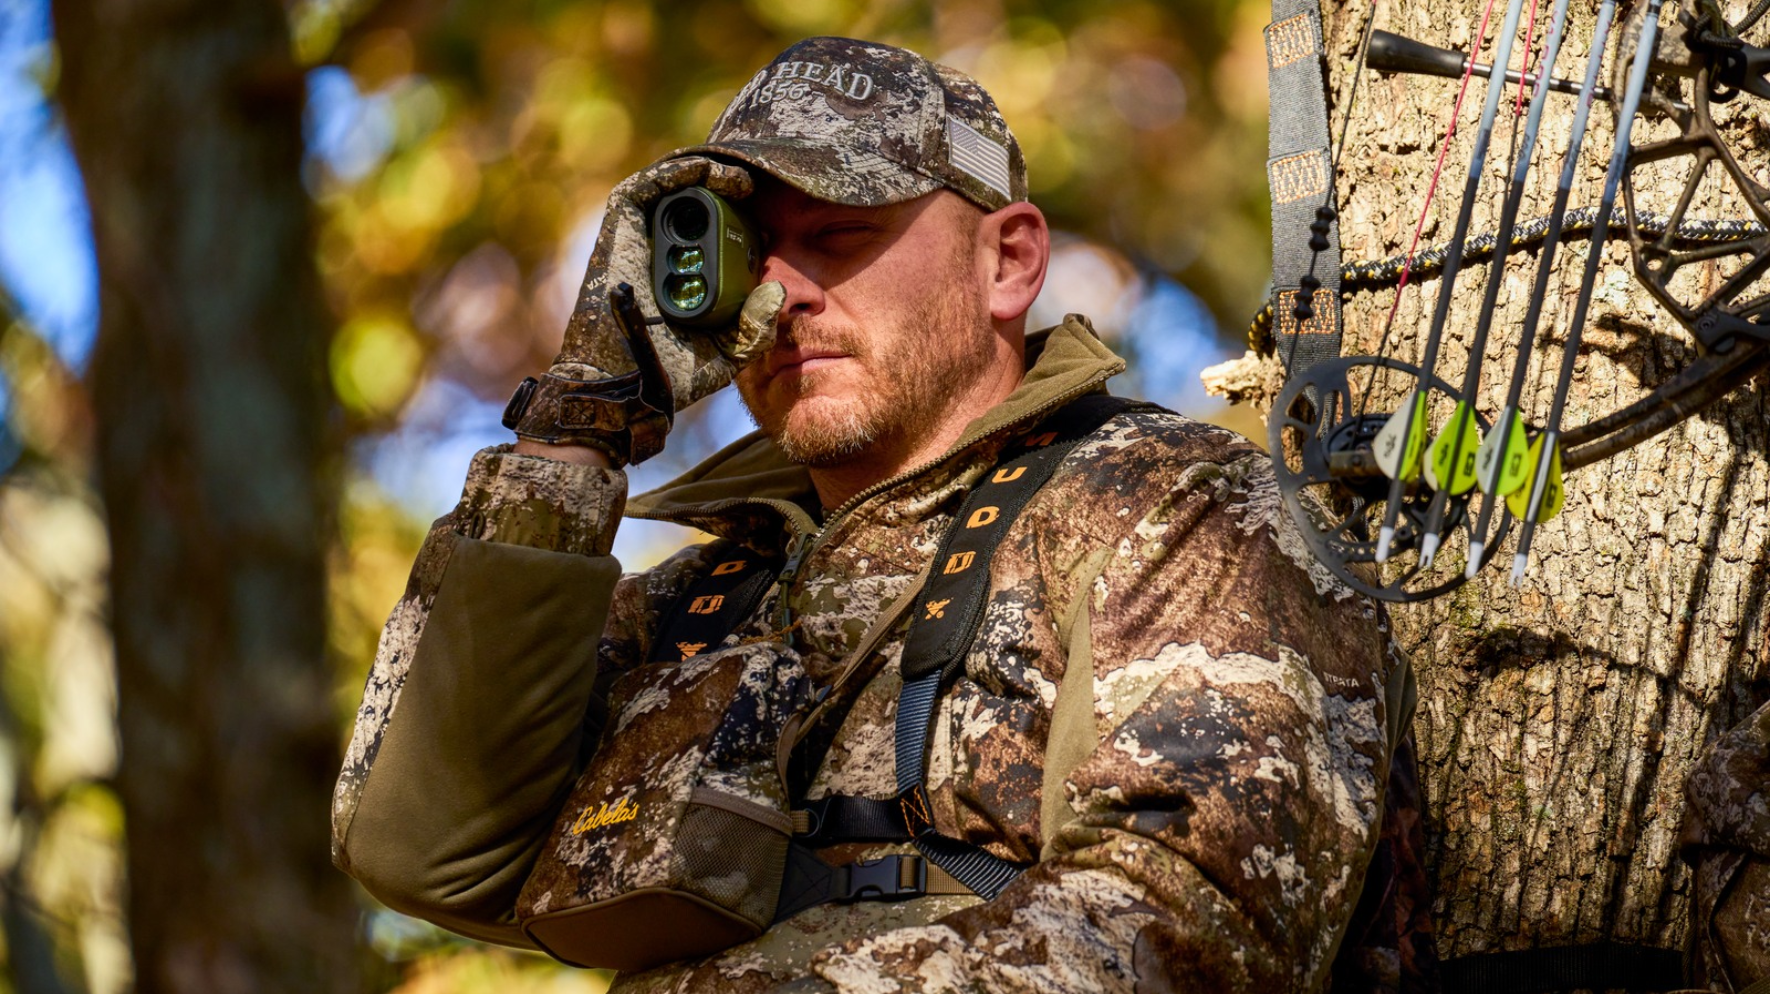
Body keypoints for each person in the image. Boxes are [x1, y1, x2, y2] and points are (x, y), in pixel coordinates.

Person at [332, 35, 1433, 994]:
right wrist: (579, 424)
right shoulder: (699, 598)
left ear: (1008, 261)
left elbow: (1192, 921)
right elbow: (425, 850)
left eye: (837, 239)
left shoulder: (1168, 503)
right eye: (747, 262)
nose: (783, 296)